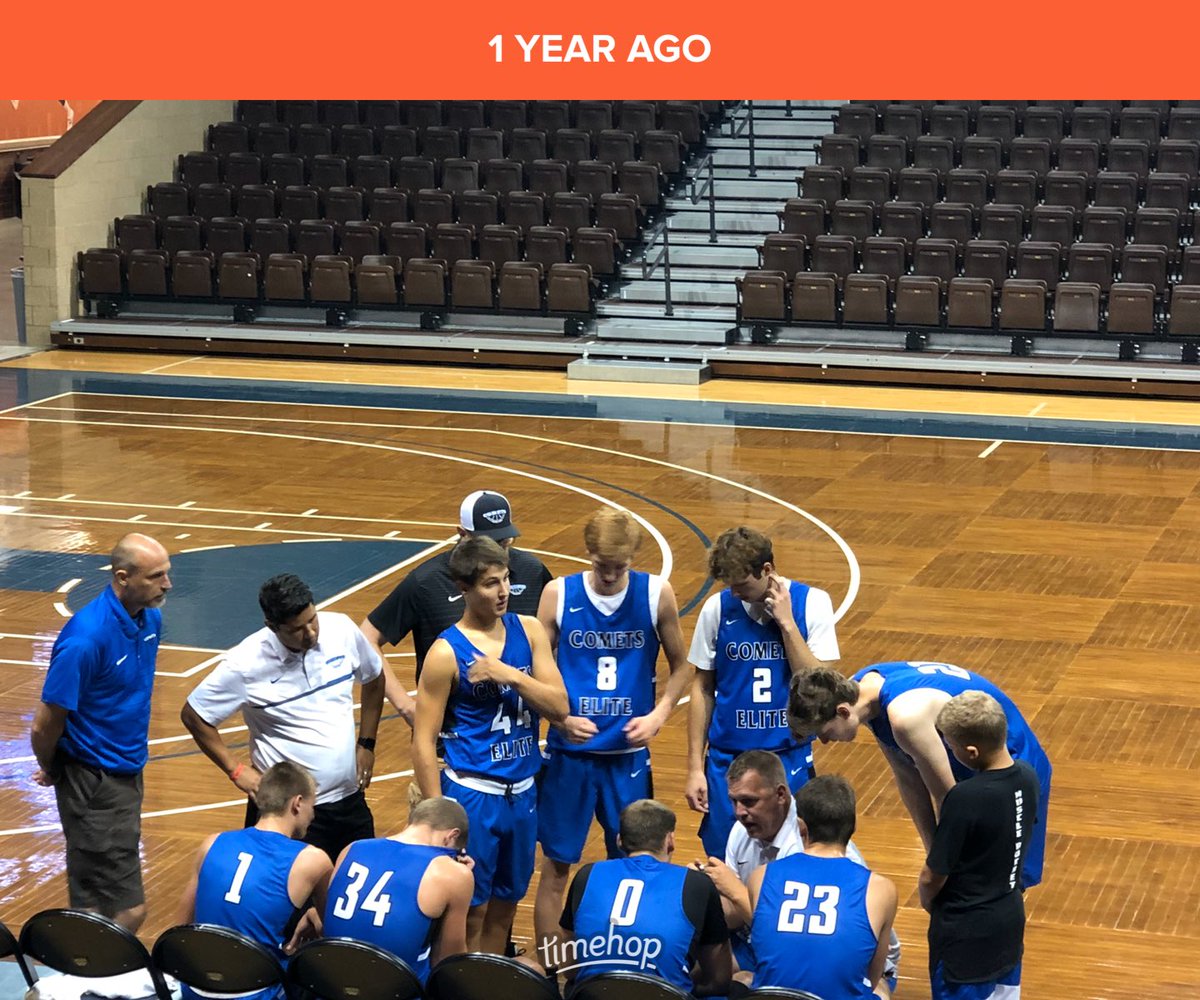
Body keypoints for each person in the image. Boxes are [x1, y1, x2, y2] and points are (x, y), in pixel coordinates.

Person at [532, 507, 693, 960]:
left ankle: (623, 958)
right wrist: (560, 719)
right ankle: (551, 964)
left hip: (626, 757)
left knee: (634, 864)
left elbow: (684, 667)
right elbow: (536, 671)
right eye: (602, 566)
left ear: (632, 560)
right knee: (558, 866)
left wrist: (661, 712)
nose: (608, 576)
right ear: (589, 555)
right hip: (571, 754)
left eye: (618, 568)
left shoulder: (655, 593)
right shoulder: (557, 595)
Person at [412, 536, 568, 953]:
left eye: (506, 580)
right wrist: (435, 814)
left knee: (506, 904)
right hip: (473, 794)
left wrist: (510, 675)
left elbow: (560, 707)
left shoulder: (530, 629)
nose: (502, 592)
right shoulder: (446, 652)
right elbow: (423, 740)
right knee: (471, 908)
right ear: (463, 588)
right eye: (490, 584)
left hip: (522, 792)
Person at [788, 660, 1052, 888]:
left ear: (843, 711)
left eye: (823, 731)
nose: (823, 741)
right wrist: (933, 852)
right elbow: (907, 776)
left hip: (1011, 761)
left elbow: (949, 798)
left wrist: (942, 866)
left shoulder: (905, 717)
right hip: (971, 756)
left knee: (1000, 877)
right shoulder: (863, 685)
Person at [181, 573, 385, 862]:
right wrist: (236, 771)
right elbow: (195, 715)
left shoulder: (341, 630)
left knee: (354, 894)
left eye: (313, 619)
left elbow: (374, 678)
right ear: (272, 627)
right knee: (288, 903)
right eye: (297, 629)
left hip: (348, 800)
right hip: (286, 813)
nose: (311, 633)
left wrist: (367, 742)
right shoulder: (245, 664)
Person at [30, 533, 172, 932]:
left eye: (167, 573)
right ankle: (81, 979)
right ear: (123, 578)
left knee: (97, 903)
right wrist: (55, 767)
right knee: (122, 911)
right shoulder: (86, 639)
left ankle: (85, 977)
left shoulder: (150, 618)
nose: (167, 584)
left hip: (126, 770)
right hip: (94, 781)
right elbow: (44, 724)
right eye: (156, 576)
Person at [685, 526, 840, 857]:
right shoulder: (716, 609)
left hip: (787, 756)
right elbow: (702, 687)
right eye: (729, 586)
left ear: (767, 570)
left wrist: (786, 623)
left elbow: (820, 686)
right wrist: (694, 767)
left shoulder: (812, 603)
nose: (735, 593)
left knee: (794, 857)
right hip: (727, 759)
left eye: (741, 584)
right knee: (724, 859)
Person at [692, 750, 900, 997]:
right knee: (696, 968)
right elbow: (743, 918)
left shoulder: (774, 869)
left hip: (825, 951)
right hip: (770, 944)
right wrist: (703, 899)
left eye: (749, 801)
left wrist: (734, 889)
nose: (739, 812)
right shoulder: (740, 831)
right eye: (733, 801)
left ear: (781, 795)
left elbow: (786, 931)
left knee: (744, 979)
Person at [360, 490, 552, 725]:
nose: (497, 553)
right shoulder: (427, 582)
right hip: (451, 743)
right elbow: (368, 636)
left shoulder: (532, 571)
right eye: (486, 543)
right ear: (461, 534)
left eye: (504, 543)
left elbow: (553, 635)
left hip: (517, 741)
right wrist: (406, 706)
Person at [177, 761, 333, 1000]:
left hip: (196, 986)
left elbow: (180, 928)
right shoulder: (312, 859)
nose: (313, 814)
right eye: (314, 805)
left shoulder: (211, 843)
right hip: (256, 991)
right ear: (298, 803)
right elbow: (334, 932)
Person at [919, 692, 1040, 1000]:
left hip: (965, 937)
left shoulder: (966, 797)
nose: (949, 750)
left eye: (951, 745)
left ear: (971, 752)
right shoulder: (1029, 776)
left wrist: (929, 901)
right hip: (1009, 925)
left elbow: (933, 875)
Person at [555, 799, 732, 998]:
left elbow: (569, 969)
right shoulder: (697, 883)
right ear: (670, 841)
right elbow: (720, 980)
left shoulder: (586, 874)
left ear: (619, 840)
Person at [747, 776, 898, 999]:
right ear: (853, 827)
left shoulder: (760, 876)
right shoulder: (882, 889)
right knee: (882, 988)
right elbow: (871, 976)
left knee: (744, 977)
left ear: (801, 828)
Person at [324, 796, 474, 984]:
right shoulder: (453, 873)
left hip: (330, 983)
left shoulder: (351, 848)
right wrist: (460, 881)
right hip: (397, 988)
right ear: (452, 836)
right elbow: (448, 962)